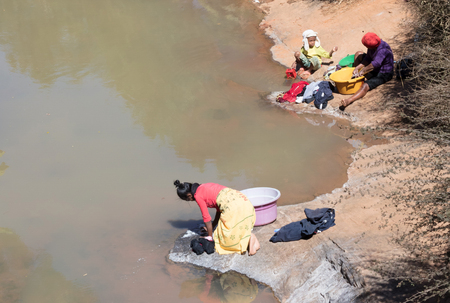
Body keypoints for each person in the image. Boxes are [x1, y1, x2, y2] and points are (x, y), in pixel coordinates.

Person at [174, 180, 260, 256]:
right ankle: (253, 243)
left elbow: (206, 218)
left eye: (188, 200)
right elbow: (219, 208)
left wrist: (209, 237)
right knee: (234, 227)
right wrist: (214, 225)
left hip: (233, 206)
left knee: (222, 239)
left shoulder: (198, 196)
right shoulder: (204, 186)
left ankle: (249, 238)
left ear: (189, 196)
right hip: (243, 200)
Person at [340, 32, 394, 108]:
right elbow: (368, 58)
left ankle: (348, 100)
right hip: (374, 68)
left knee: (365, 85)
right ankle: (357, 78)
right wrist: (357, 67)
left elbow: (374, 64)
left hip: (383, 73)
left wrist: (363, 71)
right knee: (358, 54)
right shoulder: (373, 46)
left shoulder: (383, 50)